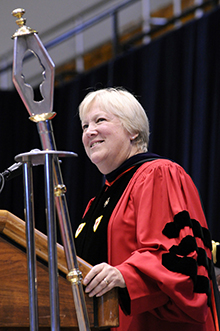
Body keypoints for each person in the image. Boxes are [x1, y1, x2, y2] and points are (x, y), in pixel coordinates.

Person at [74, 87, 218, 331]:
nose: (90, 131)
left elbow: (178, 256)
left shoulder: (158, 174)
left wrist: (126, 275)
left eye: (100, 120)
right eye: (85, 126)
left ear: (133, 131)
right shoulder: (99, 202)